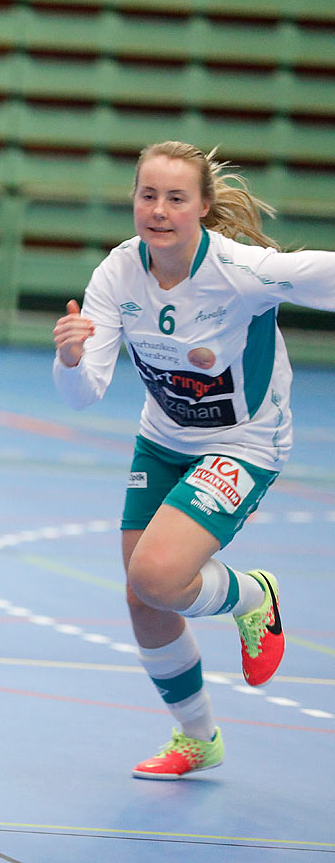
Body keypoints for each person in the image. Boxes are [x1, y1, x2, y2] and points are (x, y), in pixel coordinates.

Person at [53, 140, 335, 779]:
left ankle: (251, 595)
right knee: (144, 598)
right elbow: (82, 393)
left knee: (155, 574)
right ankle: (198, 738)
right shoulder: (118, 275)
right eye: (147, 195)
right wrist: (70, 357)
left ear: (203, 207)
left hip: (242, 442)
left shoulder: (241, 271)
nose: (159, 209)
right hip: (162, 439)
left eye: (176, 198)